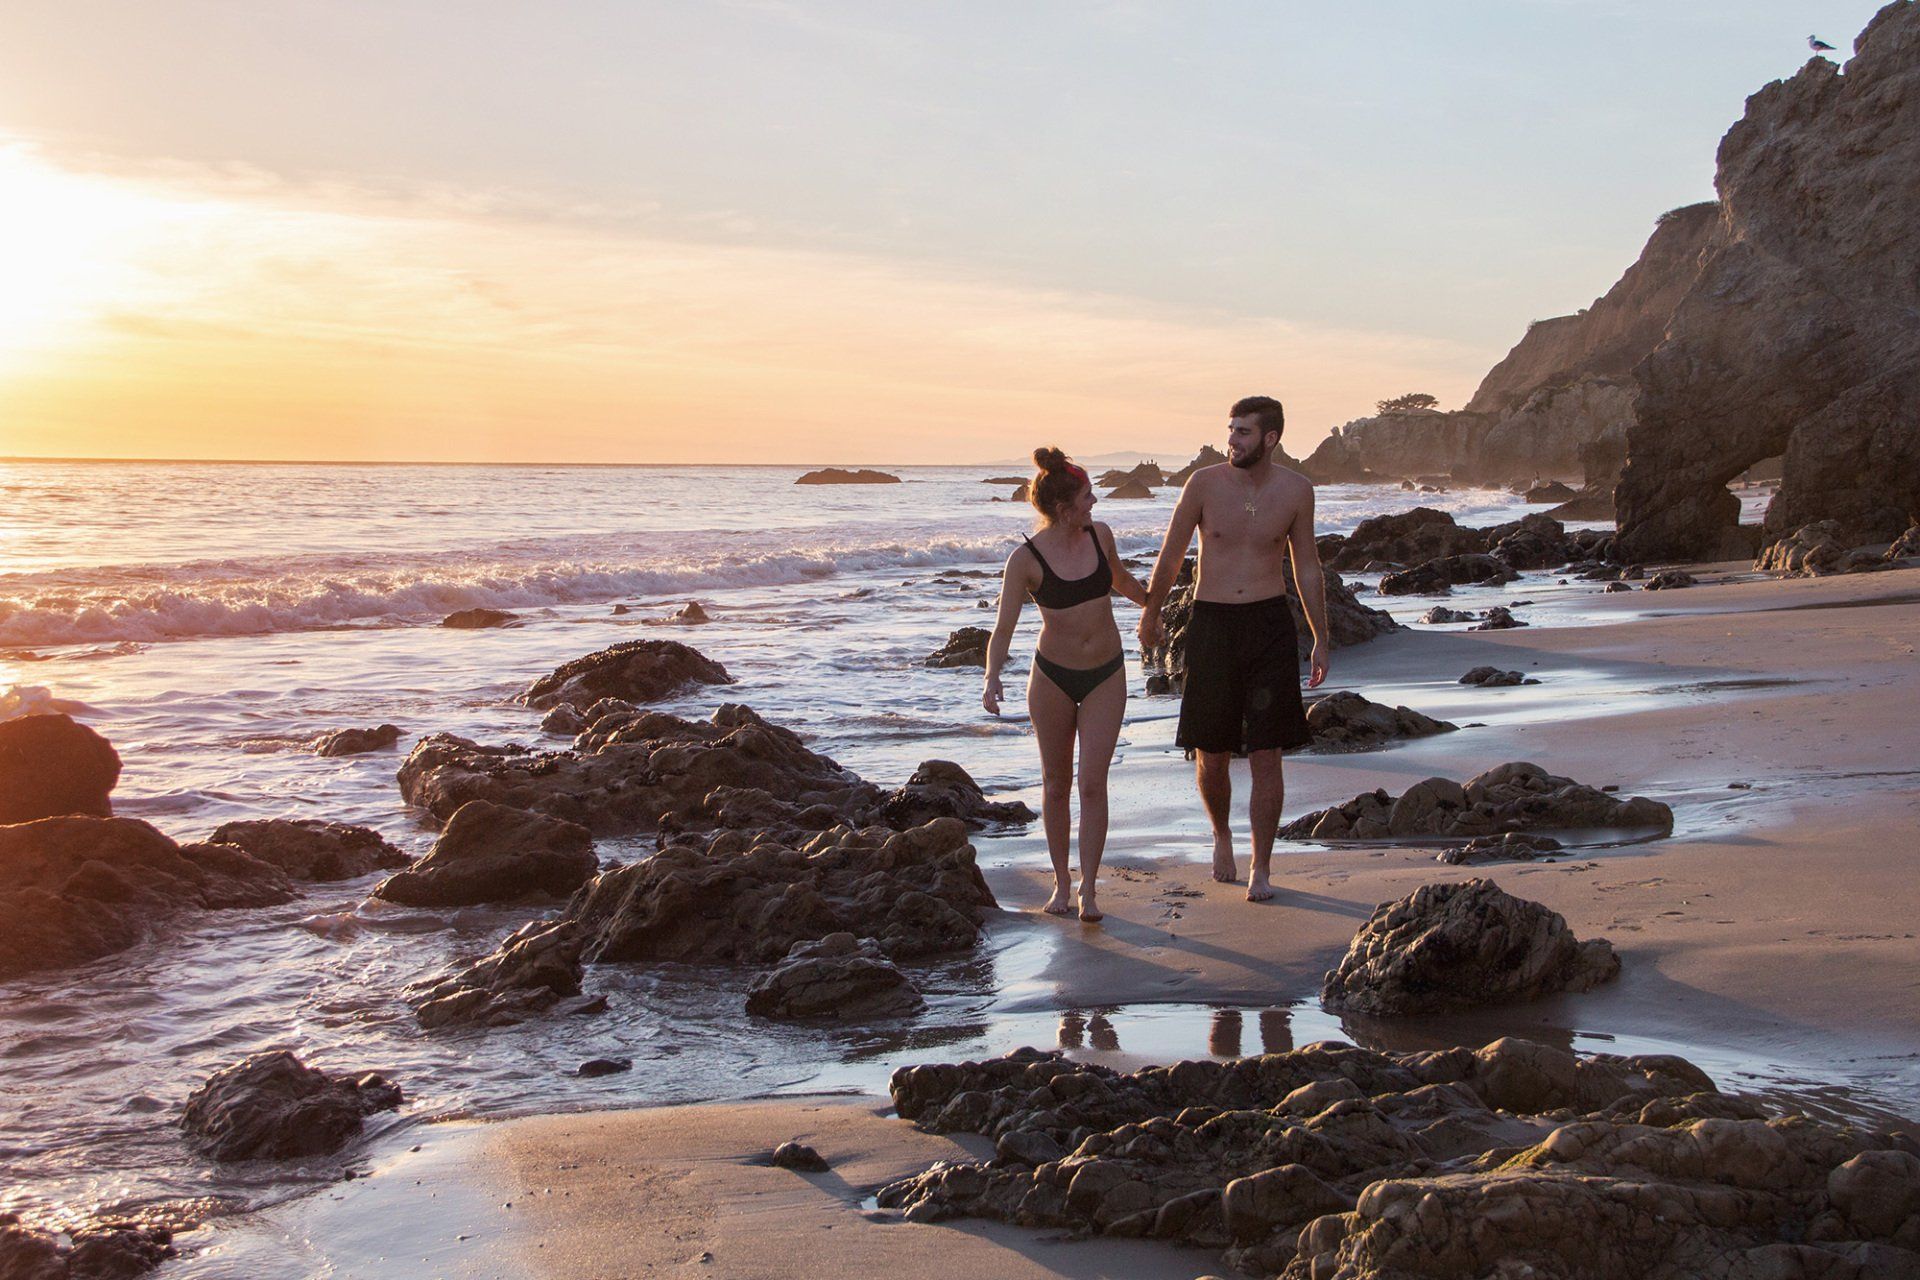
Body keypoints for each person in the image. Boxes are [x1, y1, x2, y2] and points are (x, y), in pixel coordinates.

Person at [1138, 396, 1329, 902]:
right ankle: (1221, 835)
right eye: (1231, 430)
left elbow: (1307, 566)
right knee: (1212, 752)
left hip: (1268, 625)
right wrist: (1151, 611)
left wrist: (1321, 636)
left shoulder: (1296, 491)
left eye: (1243, 432)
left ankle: (1261, 866)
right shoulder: (1203, 484)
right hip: (1213, 624)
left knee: (1268, 755)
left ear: (1270, 439)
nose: (1232, 441)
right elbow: (1172, 551)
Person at [983, 448, 1149, 922]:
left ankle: (1089, 890)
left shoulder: (1101, 536)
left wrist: (1152, 606)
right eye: (1086, 496)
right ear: (1063, 509)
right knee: (1057, 786)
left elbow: (1121, 580)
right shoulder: (1025, 560)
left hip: (1106, 673)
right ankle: (1060, 884)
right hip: (1052, 679)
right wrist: (992, 675)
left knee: (1092, 784)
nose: (1094, 502)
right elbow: (1003, 628)